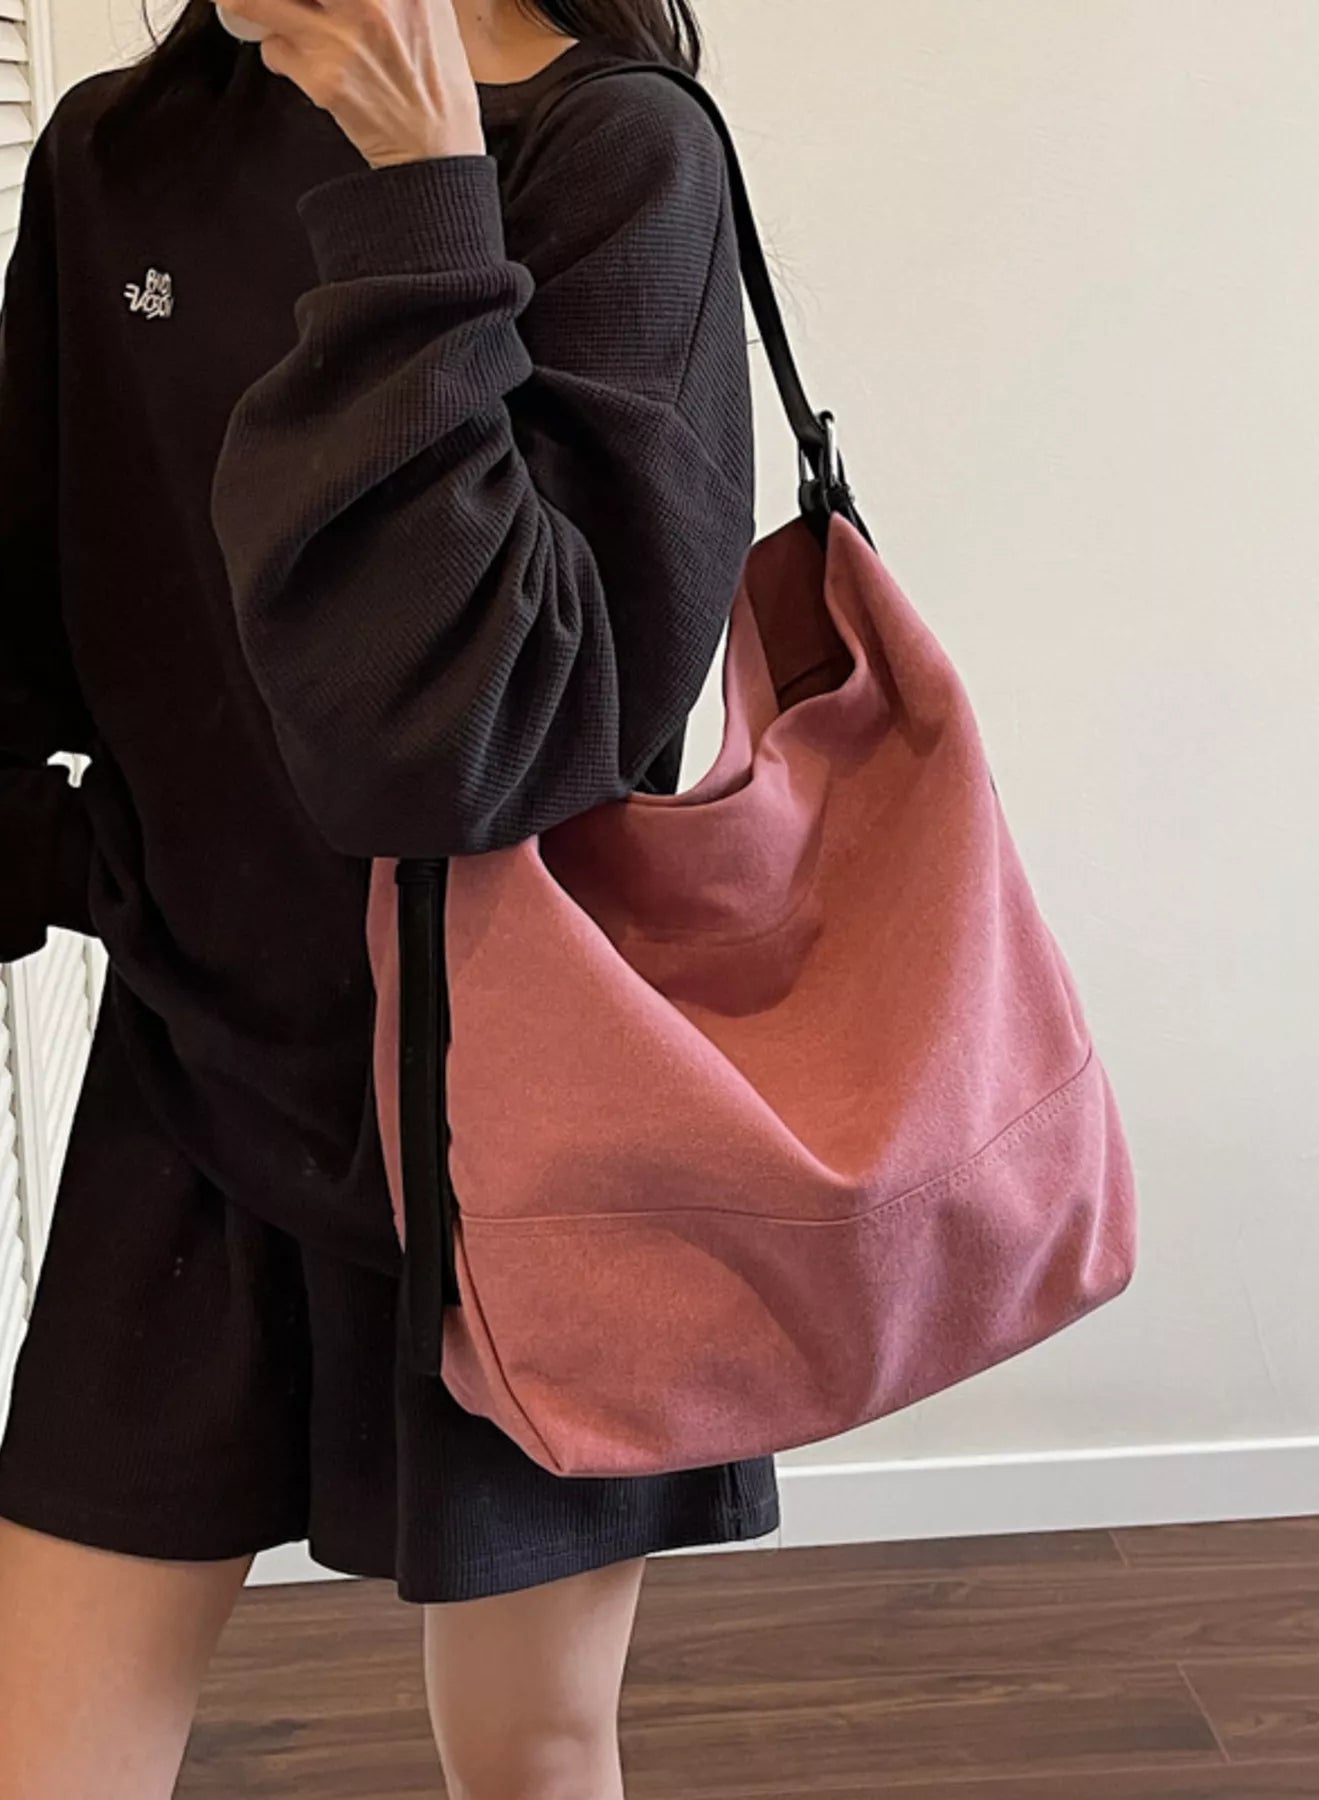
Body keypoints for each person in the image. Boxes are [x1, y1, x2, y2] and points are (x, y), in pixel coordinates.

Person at [0, 0, 779, 1790]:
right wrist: (87, 866)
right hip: (195, 1075)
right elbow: (26, 617)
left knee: (529, 1747)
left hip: (523, 1112)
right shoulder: (116, 155)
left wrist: (423, 199)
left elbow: (506, 738)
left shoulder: (617, 151)